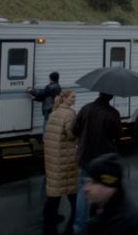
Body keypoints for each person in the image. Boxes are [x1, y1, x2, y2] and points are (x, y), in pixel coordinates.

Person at [72, 93, 122, 233]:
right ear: (111, 97)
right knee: (105, 191)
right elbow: (118, 135)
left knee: (84, 190)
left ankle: (79, 228)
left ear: (98, 93)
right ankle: (100, 225)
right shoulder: (113, 113)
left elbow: (74, 130)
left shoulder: (86, 108)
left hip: (85, 157)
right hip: (104, 160)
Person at [83, 153, 138, 235]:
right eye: (87, 182)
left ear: (109, 184)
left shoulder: (135, 223)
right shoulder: (97, 210)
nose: (86, 189)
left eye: (94, 183)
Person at [43, 89, 79, 233]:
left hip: (53, 156)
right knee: (72, 188)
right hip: (66, 156)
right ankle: (77, 214)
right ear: (64, 98)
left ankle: (49, 216)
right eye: (72, 97)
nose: (74, 99)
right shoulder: (69, 114)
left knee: (55, 190)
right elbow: (71, 134)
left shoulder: (54, 112)